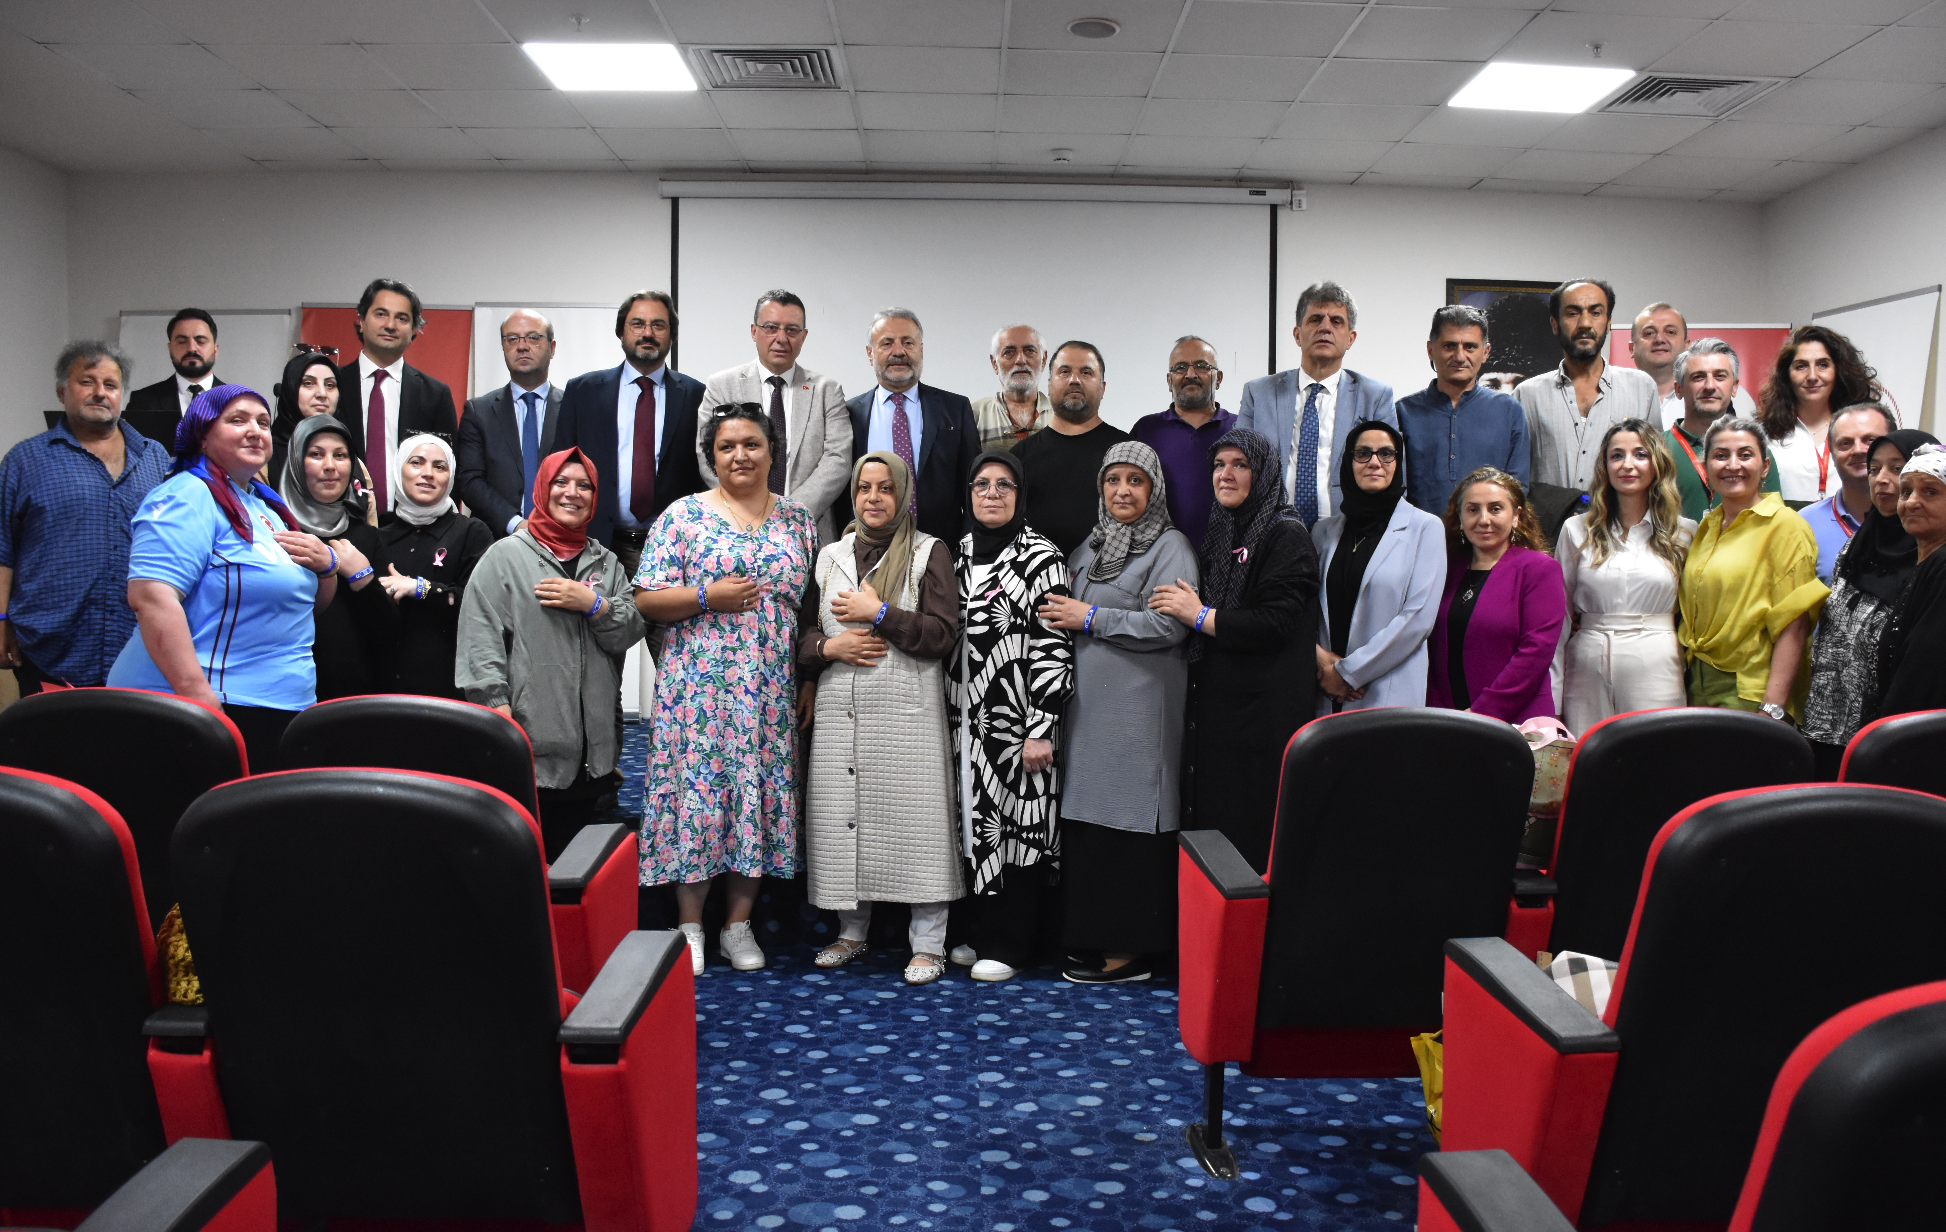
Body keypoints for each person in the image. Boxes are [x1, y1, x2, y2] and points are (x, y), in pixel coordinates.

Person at [633, 406, 819, 977]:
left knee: (757, 798)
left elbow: (809, 609)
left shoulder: (799, 520)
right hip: (699, 692)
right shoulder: (682, 516)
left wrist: (809, 677)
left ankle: (738, 925)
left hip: (769, 690)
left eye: (752, 444)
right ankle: (690, 925)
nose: (740, 455)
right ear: (711, 456)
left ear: (772, 452)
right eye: (727, 446)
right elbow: (646, 599)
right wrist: (706, 597)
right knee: (699, 798)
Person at [109, 386, 337, 772]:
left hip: (277, 707)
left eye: (263, 422)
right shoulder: (187, 494)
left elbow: (300, 606)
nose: (255, 430)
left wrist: (328, 565)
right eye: (237, 420)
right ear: (202, 434)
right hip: (206, 707)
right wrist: (198, 699)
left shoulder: (266, 507)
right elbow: (150, 598)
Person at [1036, 442, 1198, 985]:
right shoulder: (1092, 544)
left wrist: (1092, 618)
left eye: (1136, 480)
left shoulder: (1171, 547)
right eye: (1113, 480)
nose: (1123, 491)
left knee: (1131, 827)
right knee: (1092, 827)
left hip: (1139, 717)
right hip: (1088, 717)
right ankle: (1095, 937)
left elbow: (1171, 625)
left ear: (1154, 489)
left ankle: (1132, 950)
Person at [802, 453, 962, 985]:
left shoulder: (928, 552)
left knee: (917, 828)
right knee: (843, 822)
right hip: (839, 711)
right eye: (864, 488)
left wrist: (880, 615)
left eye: (886, 488)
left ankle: (929, 944)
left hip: (906, 715)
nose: (873, 498)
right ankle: (851, 932)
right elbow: (802, 633)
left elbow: (942, 635)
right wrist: (828, 647)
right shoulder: (830, 556)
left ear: (904, 495)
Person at [456, 448, 646, 860]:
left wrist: (594, 605)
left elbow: (629, 630)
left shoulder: (607, 562)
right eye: (560, 482)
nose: (572, 493)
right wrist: (499, 717)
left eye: (584, 486)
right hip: (529, 755)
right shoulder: (505, 557)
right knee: (525, 872)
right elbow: (479, 643)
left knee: (577, 874)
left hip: (593, 758)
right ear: (542, 489)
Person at [1151, 428, 1318, 872]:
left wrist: (1199, 615)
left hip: (1263, 718)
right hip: (1224, 712)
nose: (1225, 474)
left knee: (1249, 843)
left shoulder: (1285, 534)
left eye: (1240, 465)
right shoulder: (1223, 527)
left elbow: (1275, 623)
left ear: (1263, 473)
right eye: (1219, 465)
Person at [947, 451, 1073, 982]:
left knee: (1019, 825)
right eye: (982, 484)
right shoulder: (955, 554)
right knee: (972, 824)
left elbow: (1054, 645)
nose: (992, 493)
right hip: (962, 720)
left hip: (1016, 722)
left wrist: (1041, 727)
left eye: (1004, 485)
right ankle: (979, 932)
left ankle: (1012, 943)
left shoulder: (1042, 557)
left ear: (1020, 496)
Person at [0, 342, 169, 692]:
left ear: (122, 395)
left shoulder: (156, 458)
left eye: (111, 385)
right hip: (48, 648)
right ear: (62, 392)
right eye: (87, 382)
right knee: (51, 731)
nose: (100, 393)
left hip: (140, 648)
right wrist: (1, 619)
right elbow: (3, 551)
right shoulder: (24, 461)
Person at [1803, 429, 1940, 777]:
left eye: (1897, 469)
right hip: (1828, 716)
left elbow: (1920, 663)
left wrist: (1886, 737)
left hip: (1894, 729)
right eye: (1875, 469)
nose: (1882, 480)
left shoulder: (1933, 555)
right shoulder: (1859, 542)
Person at [1677, 417, 1828, 723]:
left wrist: (1772, 708)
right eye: (1721, 456)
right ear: (1706, 468)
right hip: (1696, 685)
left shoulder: (1785, 526)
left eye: (1745, 455)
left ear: (1765, 467)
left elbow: (1794, 624)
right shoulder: (1707, 526)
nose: (1733, 465)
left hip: (1751, 691)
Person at [1556, 420, 1694, 735]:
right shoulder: (1576, 529)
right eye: (1617, 455)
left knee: (1653, 753)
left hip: (1657, 657)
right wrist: (1554, 690)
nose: (1627, 465)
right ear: (1604, 465)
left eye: (1640, 454)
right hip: (1586, 659)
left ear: (1657, 463)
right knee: (1586, 754)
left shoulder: (1685, 533)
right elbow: (1560, 615)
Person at [555, 291, 707, 578]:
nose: (647, 333)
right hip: (596, 543)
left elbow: (704, 475)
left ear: (672, 335)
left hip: (673, 548)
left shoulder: (696, 395)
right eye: (637, 324)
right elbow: (560, 465)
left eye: (658, 325)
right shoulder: (583, 391)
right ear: (621, 332)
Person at [1234, 281, 1397, 529]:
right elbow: (1237, 465)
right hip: (1272, 530)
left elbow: (1391, 472)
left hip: (1349, 530)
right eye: (1315, 319)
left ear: (1350, 338)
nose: (1325, 328)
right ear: (1297, 335)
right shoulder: (1258, 393)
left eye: (1336, 321)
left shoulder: (1375, 397)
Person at [1312, 421, 1446, 715]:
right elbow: (1306, 610)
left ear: (1398, 463)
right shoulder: (1323, 532)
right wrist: (1321, 662)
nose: (1374, 462)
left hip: (1387, 692)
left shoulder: (1425, 528)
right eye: (1363, 453)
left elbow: (1418, 620)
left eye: (1386, 453)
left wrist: (1348, 673)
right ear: (1348, 463)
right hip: (1325, 691)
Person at [699, 290, 851, 544]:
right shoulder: (722, 386)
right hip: (735, 530)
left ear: (803, 337)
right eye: (771, 328)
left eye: (791, 330)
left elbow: (838, 459)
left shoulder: (827, 391)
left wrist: (787, 513)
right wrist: (749, 511)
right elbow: (708, 456)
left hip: (808, 530)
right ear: (754, 331)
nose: (781, 338)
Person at [1427, 469, 1567, 723]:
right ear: (1459, 517)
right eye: (1472, 509)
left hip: (1518, 722)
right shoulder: (1444, 569)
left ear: (1516, 516)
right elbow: (1430, 648)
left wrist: (1481, 714)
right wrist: (1440, 711)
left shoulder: (1540, 569)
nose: (1484, 519)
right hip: (1447, 720)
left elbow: (1535, 653)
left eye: (1495, 509)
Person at [281, 415, 397, 702]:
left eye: (341, 455)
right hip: (287, 690)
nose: (330, 466)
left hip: (354, 697)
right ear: (296, 462)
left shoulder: (366, 535)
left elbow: (390, 632)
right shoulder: (277, 530)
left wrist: (362, 577)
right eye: (316, 454)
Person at [844, 308, 980, 549]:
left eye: (908, 342)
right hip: (868, 552)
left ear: (921, 350)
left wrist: (966, 550)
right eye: (887, 343)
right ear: (870, 353)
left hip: (941, 550)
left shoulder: (955, 408)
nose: (899, 352)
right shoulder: (850, 413)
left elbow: (973, 487)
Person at [377, 433, 492, 698]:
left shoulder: (471, 532)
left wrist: (421, 588)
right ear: (399, 469)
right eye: (416, 463)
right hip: (382, 690)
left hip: (448, 692)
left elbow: (480, 607)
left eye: (439, 467)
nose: (428, 473)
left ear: (450, 478)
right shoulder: (379, 535)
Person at [1517, 278, 1659, 491]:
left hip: (1619, 514)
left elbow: (1657, 470)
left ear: (1608, 322)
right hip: (1548, 514)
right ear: (1555, 324)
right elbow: (1516, 480)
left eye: (1596, 312)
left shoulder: (1642, 388)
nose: (1585, 323)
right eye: (1573, 313)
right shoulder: (1527, 395)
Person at [333, 279, 459, 515]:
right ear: (361, 321)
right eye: (381, 314)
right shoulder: (333, 386)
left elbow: (450, 471)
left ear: (413, 330)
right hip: (341, 520)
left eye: (402, 318)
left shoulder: (434, 394)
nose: (390, 325)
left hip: (412, 525)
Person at [1395, 305, 1530, 515]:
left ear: (1485, 352)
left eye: (1470, 347)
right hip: (1418, 533)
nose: (1459, 356)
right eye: (1449, 346)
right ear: (1431, 350)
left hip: (1488, 533)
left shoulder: (1509, 411)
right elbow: (1395, 487)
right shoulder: (1403, 412)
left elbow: (1517, 489)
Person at [1011, 341, 1132, 556]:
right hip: (1036, 575)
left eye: (1086, 372)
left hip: (1114, 575)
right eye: (1064, 371)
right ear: (1049, 385)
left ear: (1103, 388)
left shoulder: (1128, 452)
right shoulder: (1018, 459)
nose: (1074, 380)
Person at [456, 309, 561, 540]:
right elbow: (469, 480)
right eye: (512, 339)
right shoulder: (478, 411)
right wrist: (515, 524)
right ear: (503, 347)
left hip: (561, 538)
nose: (522, 346)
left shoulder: (574, 408)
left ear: (552, 348)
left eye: (533, 337)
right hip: (495, 539)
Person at [1131, 335, 1237, 549]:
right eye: (1180, 368)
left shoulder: (1240, 428)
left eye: (1201, 366)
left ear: (1219, 378)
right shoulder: (1145, 430)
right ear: (1169, 380)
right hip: (1160, 556)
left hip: (1230, 555)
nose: (1190, 374)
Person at [1758, 325, 1881, 507]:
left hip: (1850, 522)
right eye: (1801, 366)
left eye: (1823, 365)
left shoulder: (1865, 428)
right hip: (1784, 524)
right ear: (1786, 374)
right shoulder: (1764, 434)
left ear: (1838, 370)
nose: (1812, 376)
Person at [1665, 339, 1780, 521]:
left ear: (1734, 387)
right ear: (1678, 389)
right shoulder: (1658, 449)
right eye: (1698, 377)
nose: (1710, 386)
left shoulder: (1755, 452)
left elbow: (1774, 523)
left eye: (1720, 376)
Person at [1874, 444, 1946, 718]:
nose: (1912, 502)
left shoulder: (1943, 566)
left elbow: (1922, 672)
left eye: (1930, 492)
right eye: (1906, 492)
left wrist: (1887, 734)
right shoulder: (1926, 563)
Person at [267, 349, 378, 525]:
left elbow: (370, 527)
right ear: (290, 389)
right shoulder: (265, 454)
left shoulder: (352, 461)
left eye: (330, 385)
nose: (322, 394)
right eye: (308, 383)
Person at [1802, 403, 1898, 581]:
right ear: (1832, 454)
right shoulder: (1804, 524)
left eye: (1870, 440)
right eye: (1845, 443)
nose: (1858, 450)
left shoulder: (1918, 518)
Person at [1628, 301, 1757, 429]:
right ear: (1631, 348)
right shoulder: (1619, 395)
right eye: (1649, 333)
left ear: (1686, 345)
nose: (1660, 339)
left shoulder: (1734, 397)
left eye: (1671, 332)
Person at [124, 308, 221, 445]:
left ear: (215, 350)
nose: (191, 348)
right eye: (181, 341)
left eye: (200, 341)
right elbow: (133, 450)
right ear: (170, 349)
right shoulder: (143, 401)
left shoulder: (237, 400)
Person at [971, 325, 1053, 452]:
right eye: (1009, 352)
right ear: (994, 363)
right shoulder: (974, 415)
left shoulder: (1063, 414)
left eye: (1029, 351)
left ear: (1043, 360)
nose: (1021, 360)